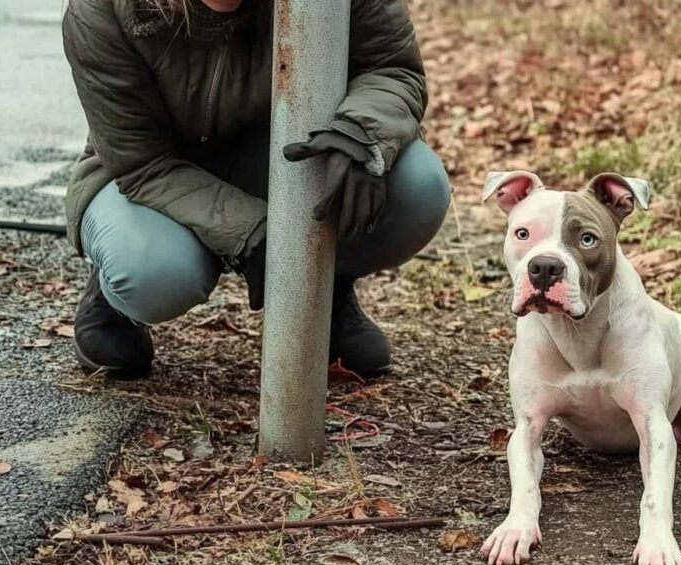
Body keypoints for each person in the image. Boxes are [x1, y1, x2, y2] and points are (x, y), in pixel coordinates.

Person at [61, 0, 450, 379]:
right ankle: (111, 299)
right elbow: (142, 164)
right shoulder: (101, 9)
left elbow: (392, 67)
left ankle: (326, 287)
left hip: (283, 154)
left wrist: (362, 135)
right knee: (156, 274)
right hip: (151, 176)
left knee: (419, 185)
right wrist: (251, 231)